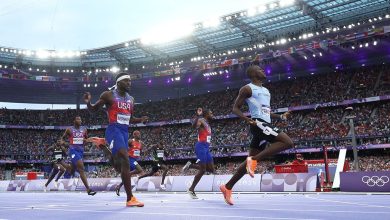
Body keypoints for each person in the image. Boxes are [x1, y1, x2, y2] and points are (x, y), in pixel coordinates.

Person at [220, 65, 294, 205]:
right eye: (260, 69)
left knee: (248, 159)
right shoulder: (247, 88)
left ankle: (227, 187)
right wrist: (246, 119)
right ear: (253, 74)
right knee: (287, 142)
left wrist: (281, 117)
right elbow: (235, 108)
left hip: (264, 123)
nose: (263, 70)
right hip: (258, 124)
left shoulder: (266, 90)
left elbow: (266, 111)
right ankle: (254, 160)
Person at [85, 72, 147, 207]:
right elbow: (94, 109)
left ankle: (102, 146)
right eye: (126, 81)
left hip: (124, 132)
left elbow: (130, 118)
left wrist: (140, 120)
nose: (129, 83)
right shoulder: (109, 95)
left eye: (130, 81)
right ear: (119, 82)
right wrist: (88, 103)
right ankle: (130, 198)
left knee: (120, 167)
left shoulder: (131, 99)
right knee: (125, 158)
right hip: (114, 130)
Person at [58, 116, 97, 196]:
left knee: (72, 170)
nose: (80, 120)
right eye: (78, 119)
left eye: (80, 119)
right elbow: (62, 138)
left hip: (80, 151)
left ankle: (61, 162)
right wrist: (62, 144)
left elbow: (85, 140)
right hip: (73, 150)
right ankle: (88, 189)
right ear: (74, 121)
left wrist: (87, 141)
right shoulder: (69, 129)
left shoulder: (84, 129)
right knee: (81, 168)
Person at [183, 107, 215, 199]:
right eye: (211, 113)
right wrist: (198, 115)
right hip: (200, 146)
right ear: (206, 114)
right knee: (203, 170)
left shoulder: (208, 124)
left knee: (211, 170)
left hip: (206, 148)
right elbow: (193, 126)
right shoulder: (201, 120)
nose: (212, 115)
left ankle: (191, 166)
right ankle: (191, 189)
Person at [115, 130, 145, 196]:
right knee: (140, 170)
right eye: (137, 134)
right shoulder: (131, 141)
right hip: (129, 159)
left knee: (127, 177)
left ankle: (118, 187)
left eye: (139, 134)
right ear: (134, 135)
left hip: (135, 160)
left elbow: (140, 151)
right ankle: (128, 174)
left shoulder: (141, 143)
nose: (139, 135)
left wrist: (141, 153)